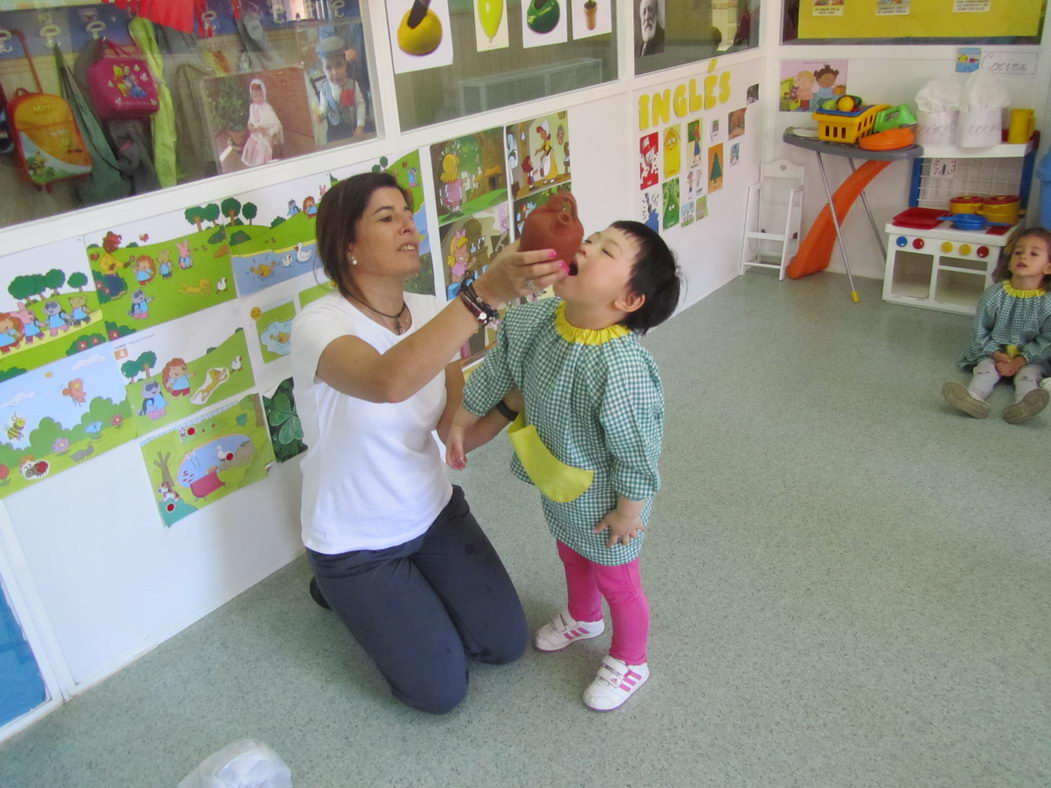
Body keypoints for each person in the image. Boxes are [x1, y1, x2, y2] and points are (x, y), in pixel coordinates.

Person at [290, 172, 566, 714]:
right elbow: (386, 382)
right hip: (355, 543)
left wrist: (520, 395)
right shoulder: (318, 324)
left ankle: (403, 597)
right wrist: (485, 293)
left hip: (433, 514)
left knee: (505, 645)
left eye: (408, 215)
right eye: (386, 217)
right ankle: (338, 590)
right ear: (348, 245)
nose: (408, 227)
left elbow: (451, 429)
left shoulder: (431, 310)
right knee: (441, 692)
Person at [445, 221, 681, 711]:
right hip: (557, 478)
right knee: (570, 551)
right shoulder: (535, 320)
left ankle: (632, 658)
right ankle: (582, 615)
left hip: (612, 503)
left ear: (629, 300)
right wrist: (462, 421)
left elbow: (638, 454)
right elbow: (499, 372)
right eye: (591, 239)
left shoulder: (623, 371)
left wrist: (628, 513)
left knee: (618, 579)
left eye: (606, 251)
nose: (587, 247)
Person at [942, 227, 1051, 424]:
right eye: (1018, 252)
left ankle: (1024, 405)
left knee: (1028, 376)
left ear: (1048, 267)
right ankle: (973, 398)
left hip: (1029, 357)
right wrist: (997, 355)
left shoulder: (1048, 302)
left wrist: (1020, 361)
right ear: (1009, 260)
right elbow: (980, 331)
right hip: (994, 352)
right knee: (985, 370)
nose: (1023, 257)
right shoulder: (994, 294)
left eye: (1034, 253)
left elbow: (1047, 339)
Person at [315, 35, 367, 143]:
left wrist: (360, 126)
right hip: (335, 130)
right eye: (328, 68)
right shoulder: (324, 88)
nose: (334, 72)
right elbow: (324, 106)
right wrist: (320, 115)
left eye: (339, 65)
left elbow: (360, 104)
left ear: (345, 65)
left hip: (352, 128)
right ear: (322, 69)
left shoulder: (353, 84)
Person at [241, 78, 283, 168]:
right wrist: (250, 126)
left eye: (260, 95)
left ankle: (263, 168)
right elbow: (250, 120)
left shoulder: (267, 108)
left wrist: (268, 132)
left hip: (265, 136)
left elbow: (277, 124)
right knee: (253, 151)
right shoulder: (252, 107)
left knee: (263, 153)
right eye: (255, 96)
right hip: (255, 136)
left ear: (264, 94)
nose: (258, 99)